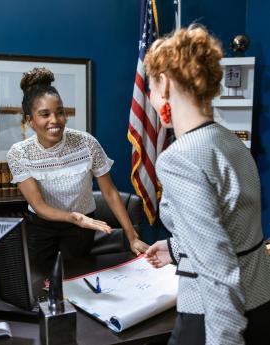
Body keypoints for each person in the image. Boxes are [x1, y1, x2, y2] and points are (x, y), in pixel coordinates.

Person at [143, 25, 270, 345]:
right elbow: (229, 227)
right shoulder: (232, 143)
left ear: (167, 84)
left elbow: (216, 267)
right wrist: (173, 248)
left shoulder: (180, 158)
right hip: (259, 303)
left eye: (152, 87)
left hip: (215, 318)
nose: (150, 97)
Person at [7, 67, 148, 276]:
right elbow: (38, 205)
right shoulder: (19, 153)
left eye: (60, 112)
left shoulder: (87, 143)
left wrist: (131, 236)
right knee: (43, 283)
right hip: (42, 228)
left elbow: (109, 193)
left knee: (75, 279)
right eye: (45, 114)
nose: (55, 120)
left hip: (81, 230)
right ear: (30, 121)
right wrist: (74, 217)